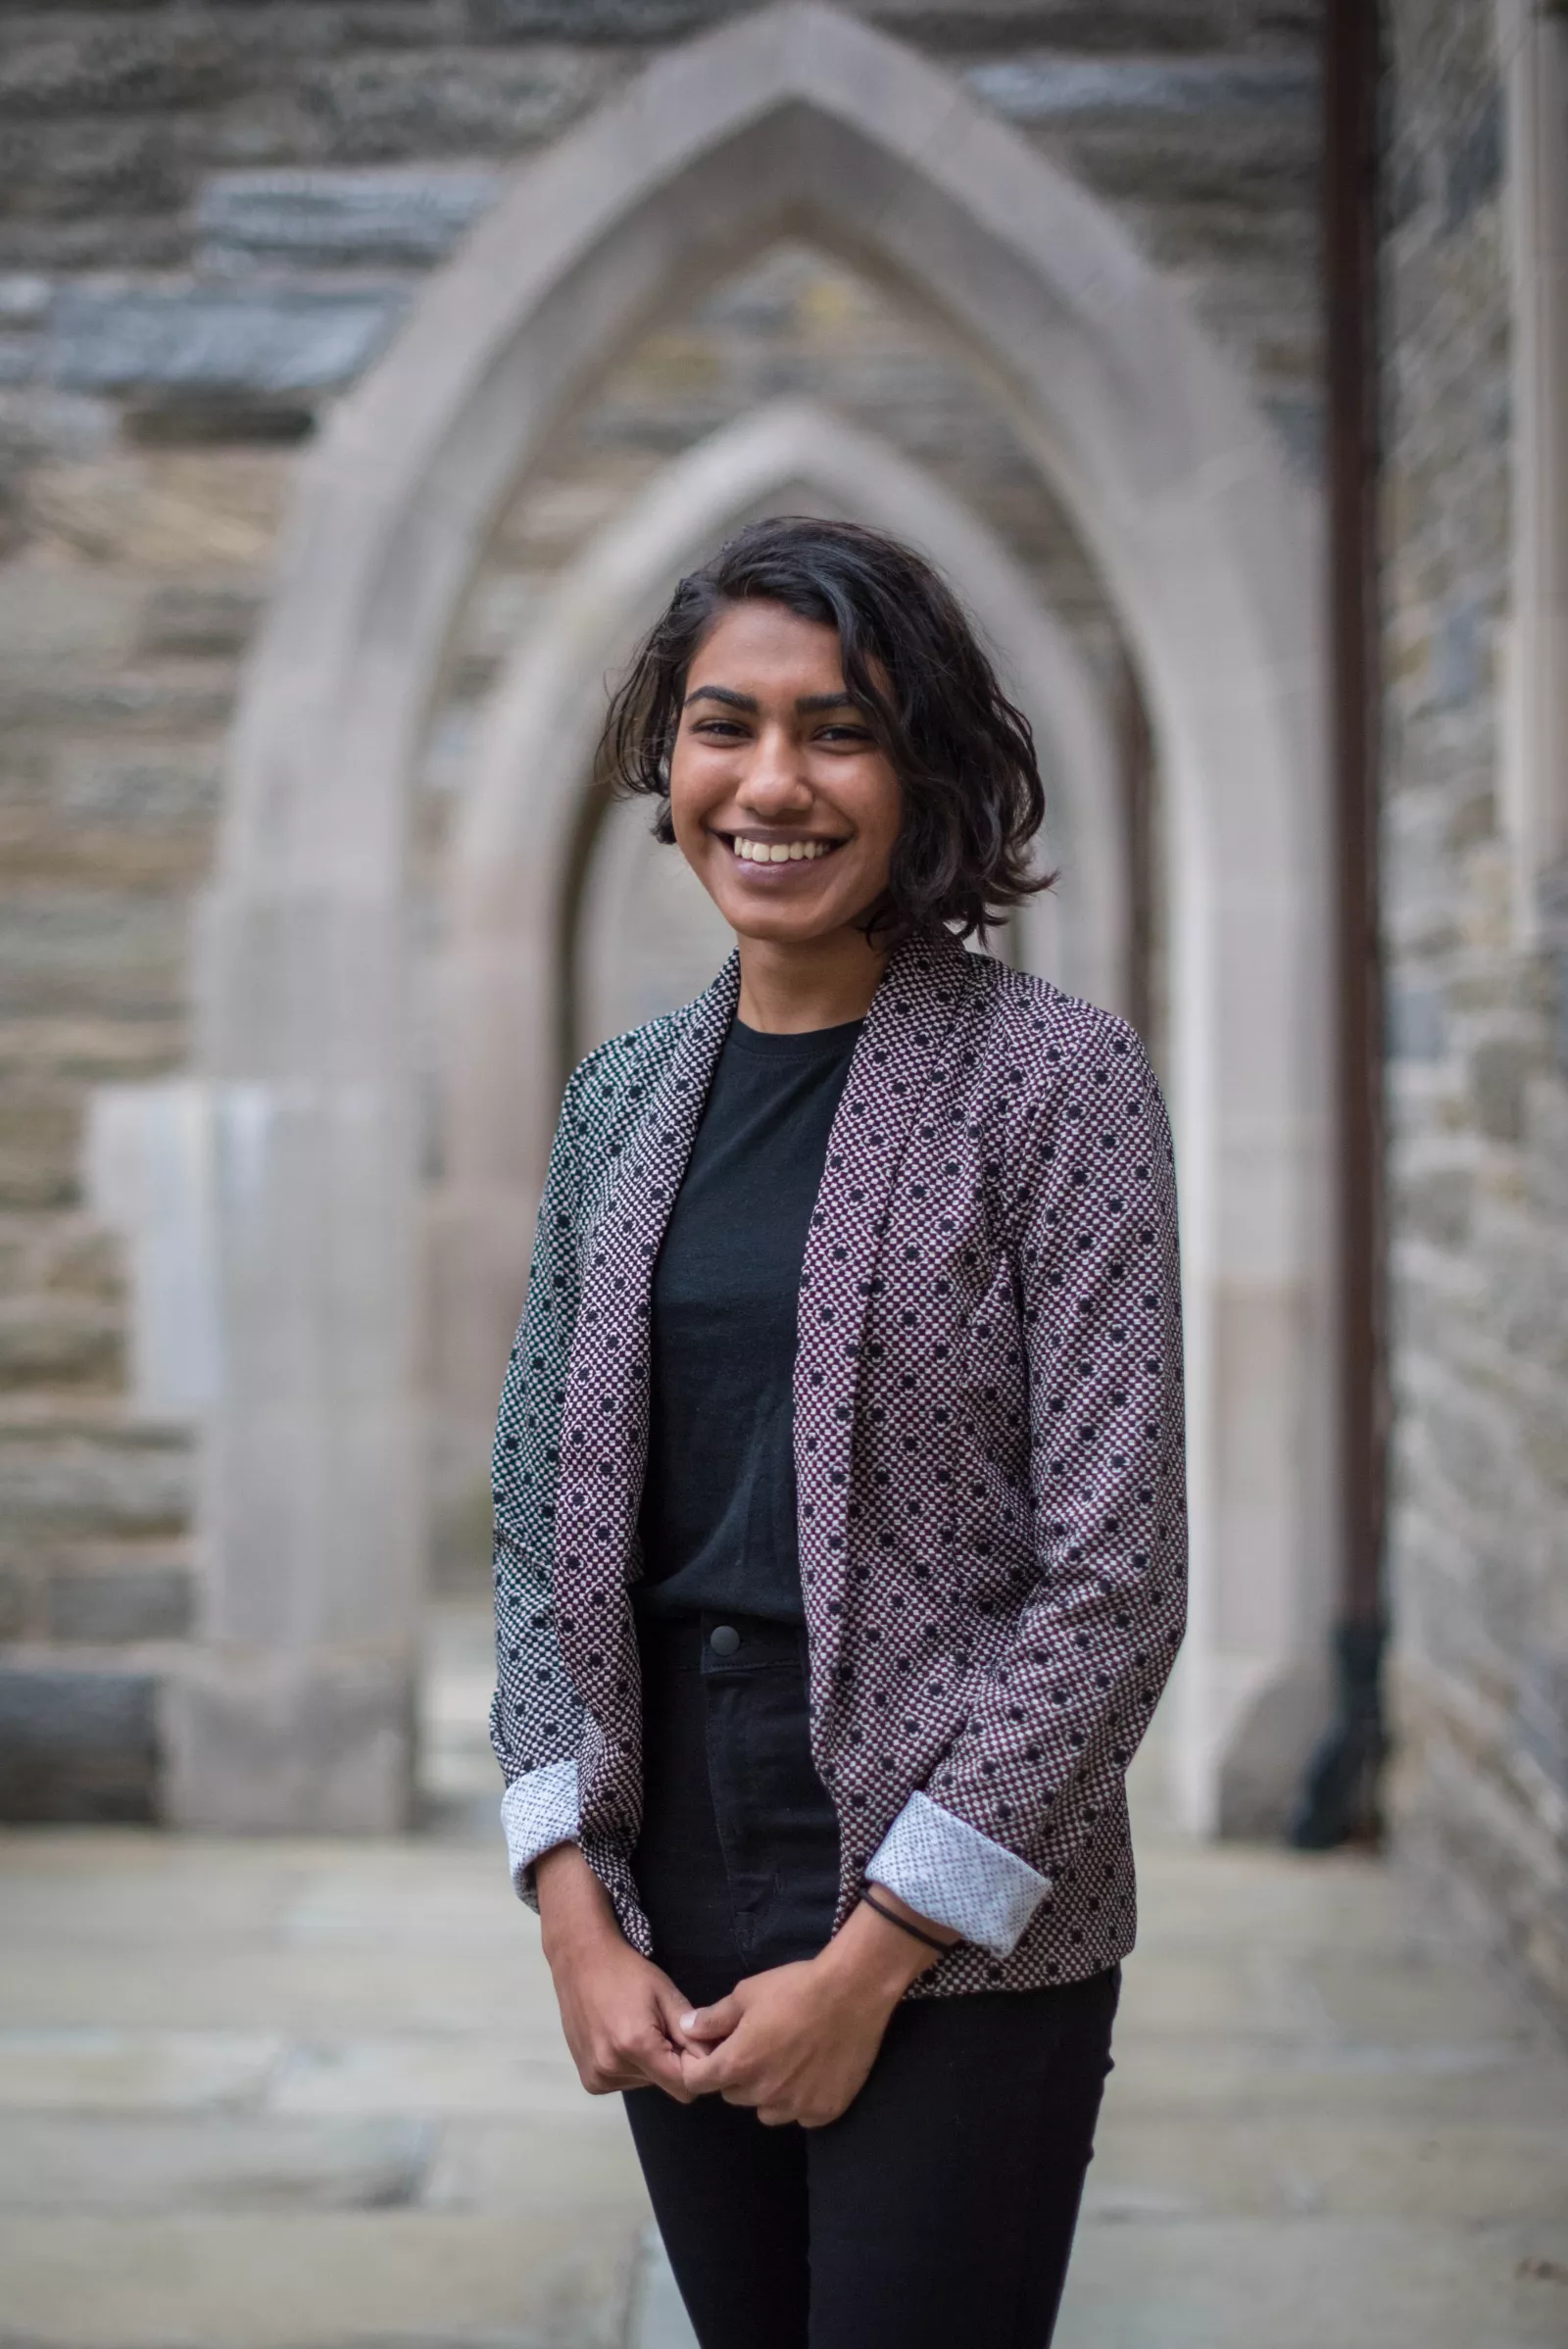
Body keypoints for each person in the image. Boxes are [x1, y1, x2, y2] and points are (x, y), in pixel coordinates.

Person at [489, 515, 1186, 2349]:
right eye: (727, 727)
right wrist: (572, 1909)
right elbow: (535, 1530)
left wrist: (876, 1960)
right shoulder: (619, 1103)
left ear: (925, 767)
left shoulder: (1054, 1081)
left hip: (965, 1902)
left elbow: (1114, 1583)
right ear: (671, 761)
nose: (771, 783)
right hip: (669, 1876)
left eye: (840, 730)